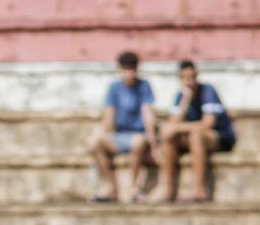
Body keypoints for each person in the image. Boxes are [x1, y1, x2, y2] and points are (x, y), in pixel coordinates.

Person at [154, 60, 236, 203]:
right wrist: (185, 100)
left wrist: (178, 128)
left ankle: (198, 190)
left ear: (197, 75)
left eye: (191, 77)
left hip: (220, 137)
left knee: (196, 135)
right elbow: (171, 126)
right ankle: (168, 190)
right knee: (170, 139)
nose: (189, 81)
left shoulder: (208, 91)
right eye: (185, 78)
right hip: (194, 136)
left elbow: (207, 124)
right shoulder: (180, 96)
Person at [88, 51, 157, 204]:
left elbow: (148, 116)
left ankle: (134, 187)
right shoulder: (114, 88)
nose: (129, 73)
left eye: (132, 69)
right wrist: (101, 134)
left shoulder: (144, 86)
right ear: (120, 70)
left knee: (139, 142)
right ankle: (110, 187)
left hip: (138, 136)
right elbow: (108, 116)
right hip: (119, 137)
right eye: (126, 69)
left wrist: (153, 143)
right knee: (94, 142)